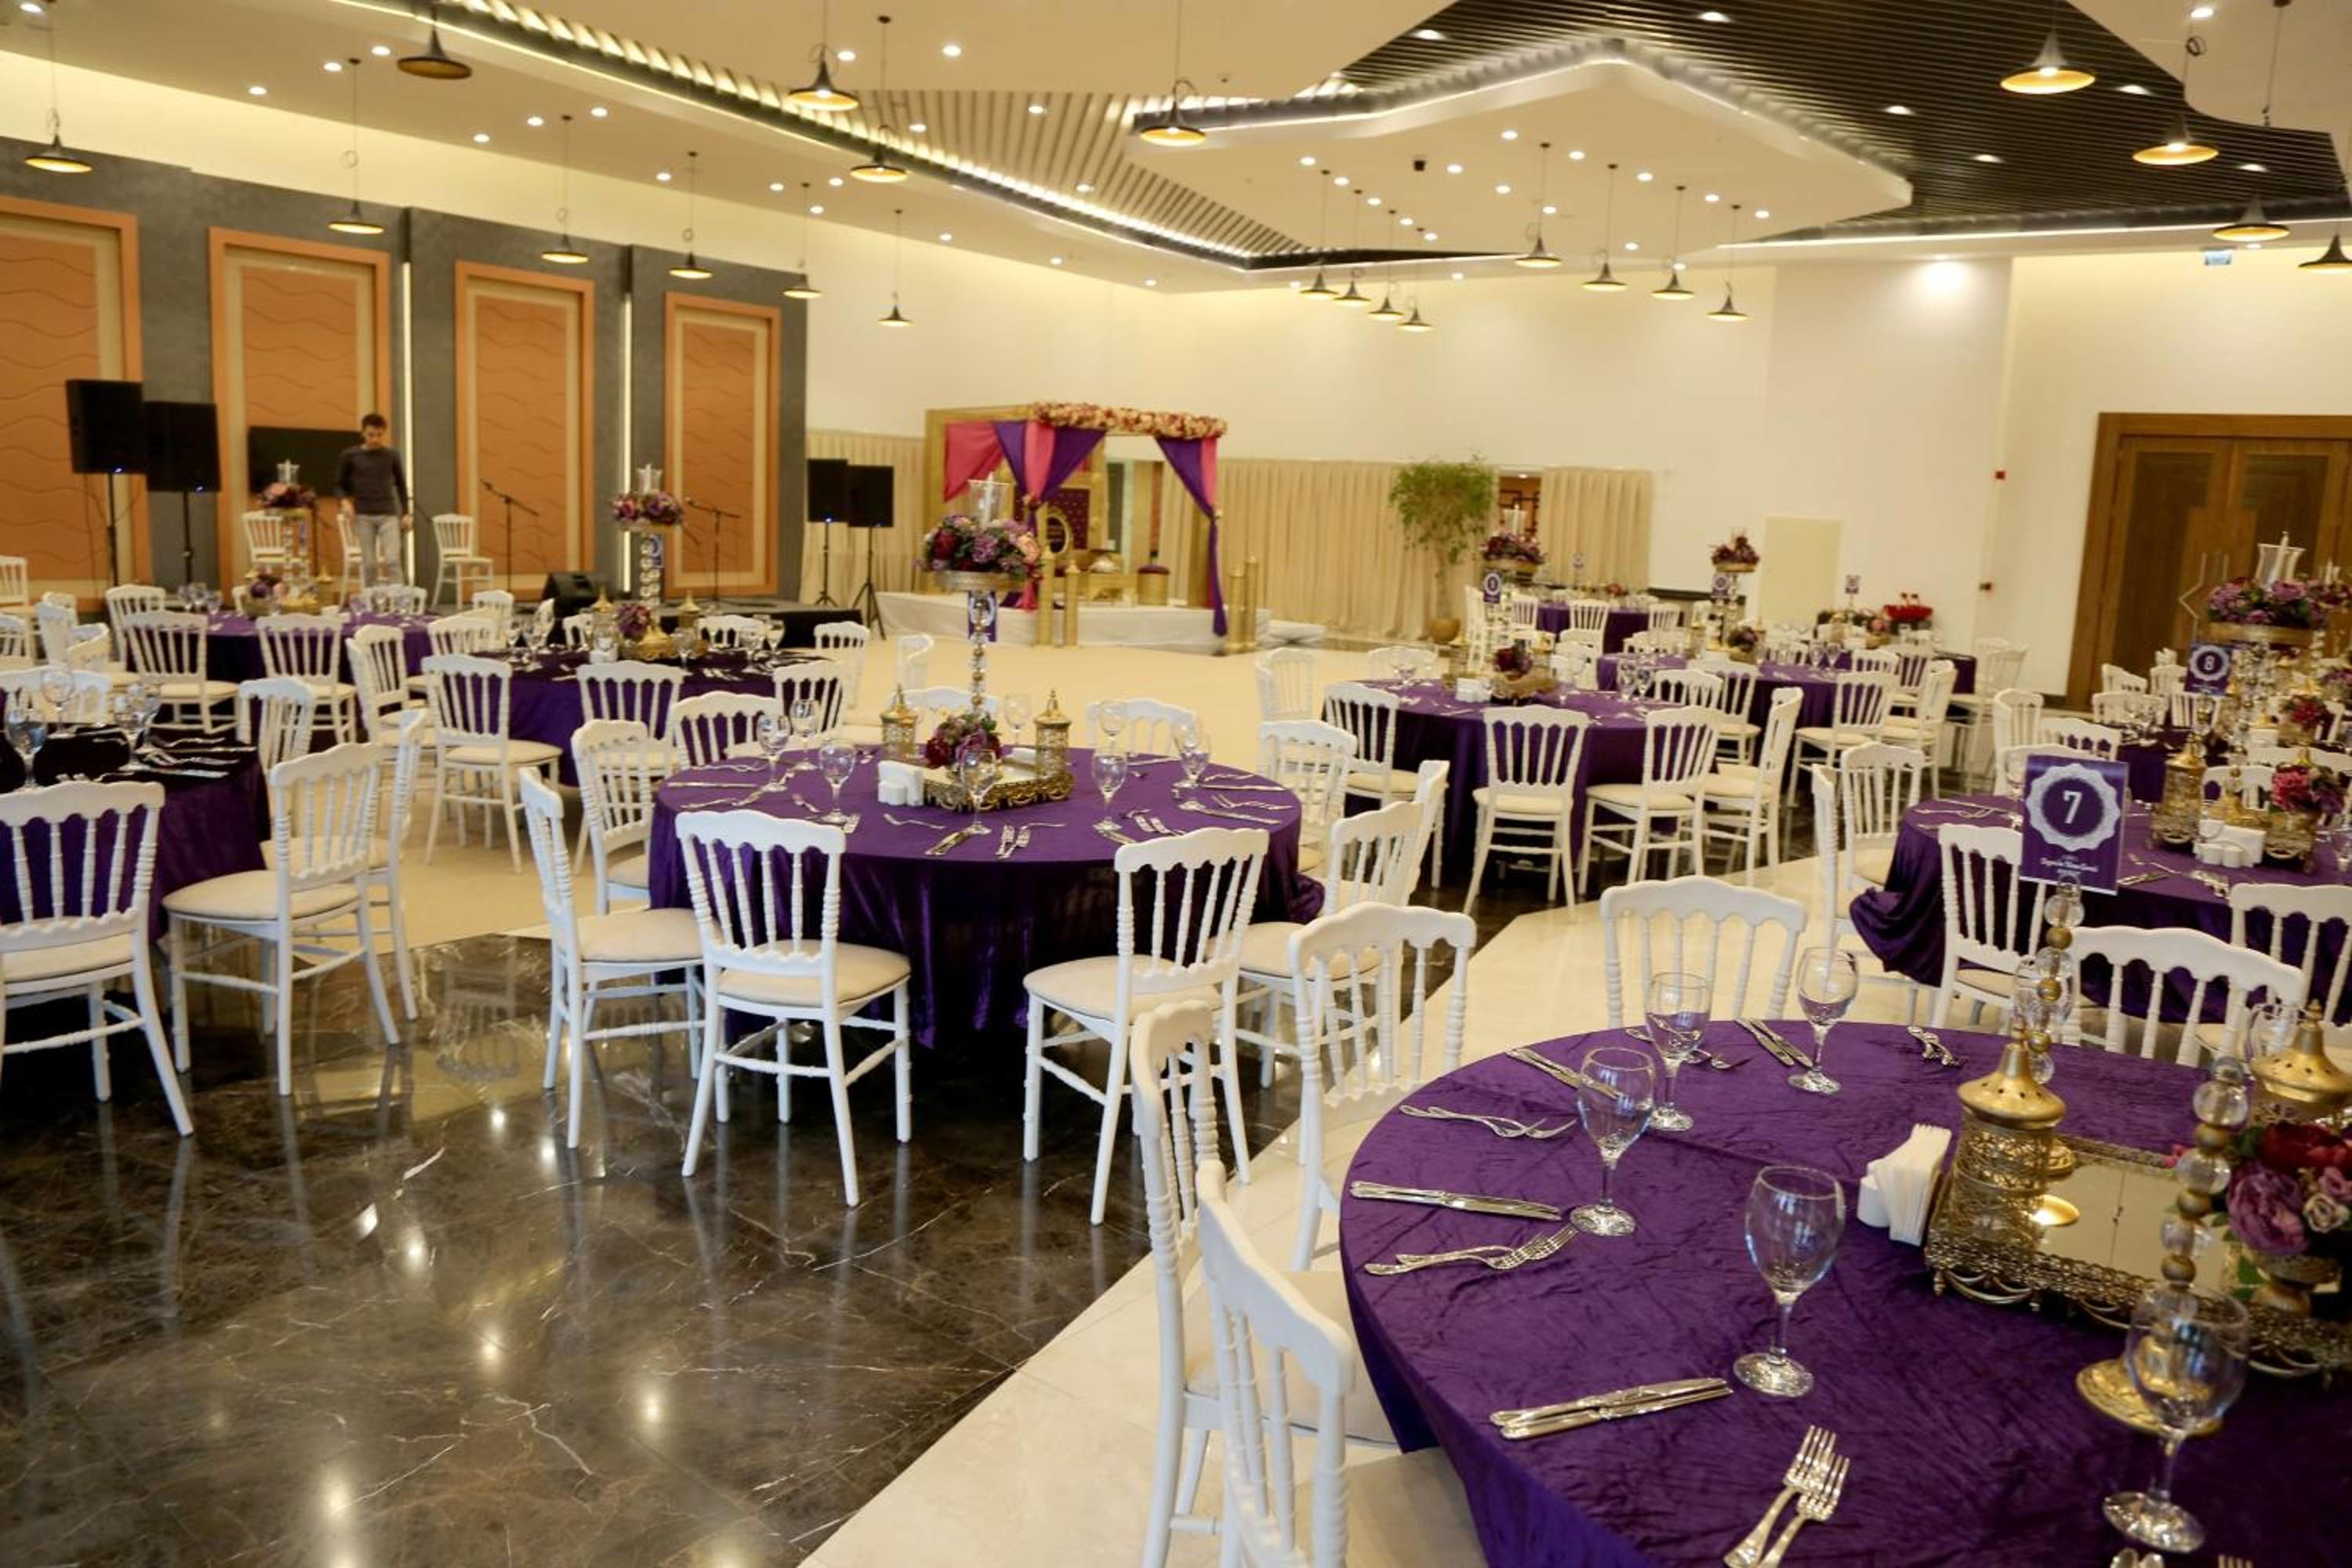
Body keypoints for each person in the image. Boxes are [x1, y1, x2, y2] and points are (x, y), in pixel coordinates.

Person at [335, 412, 411, 589]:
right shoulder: (350, 455)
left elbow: (401, 485)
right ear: (363, 432)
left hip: (388, 515)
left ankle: (400, 600)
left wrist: (407, 513)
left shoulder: (392, 455)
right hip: (363, 516)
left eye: (379, 435)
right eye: (371, 435)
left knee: (392, 560)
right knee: (369, 564)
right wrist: (344, 501)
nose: (375, 439)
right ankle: (372, 600)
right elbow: (338, 484)